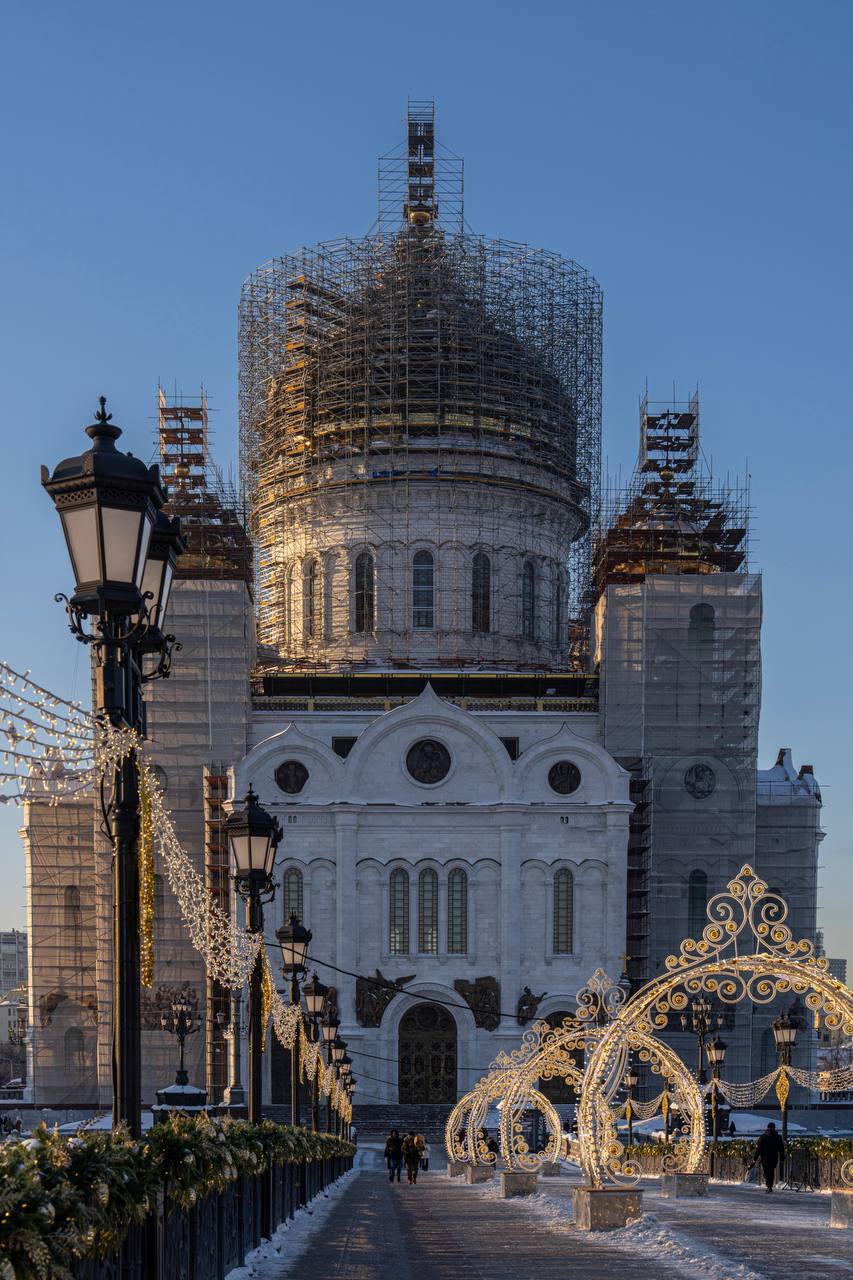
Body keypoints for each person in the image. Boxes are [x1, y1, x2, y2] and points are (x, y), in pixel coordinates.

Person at [753, 1121, 786, 1192]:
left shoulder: (763, 1137)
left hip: (765, 1158)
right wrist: (782, 1158)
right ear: (774, 1128)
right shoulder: (778, 1137)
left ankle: (769, 1185)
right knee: (771, 1172)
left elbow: (759, 1149)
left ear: (767, 1128)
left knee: (766, 1171)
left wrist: (755, 1158)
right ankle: (769, 1185)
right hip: (774, 1158)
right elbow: (781, 1149)